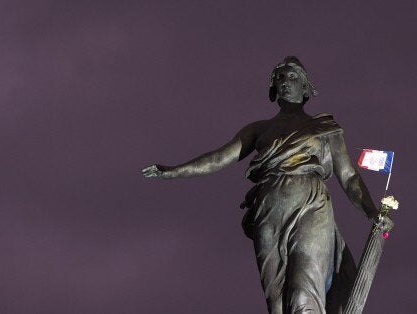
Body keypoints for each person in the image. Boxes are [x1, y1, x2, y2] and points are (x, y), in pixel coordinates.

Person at [142, 56, 393, 314]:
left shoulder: (324, 127)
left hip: (311, 204)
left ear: (306, 88)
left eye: (293, 76)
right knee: (276, 299)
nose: (285, 81)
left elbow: (349, 176)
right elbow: (219, 157)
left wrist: (371, 211)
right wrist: (173, 171)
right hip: (268, 208)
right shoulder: (259, 129)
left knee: (302, 294)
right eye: (280, 77)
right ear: (273, 88)